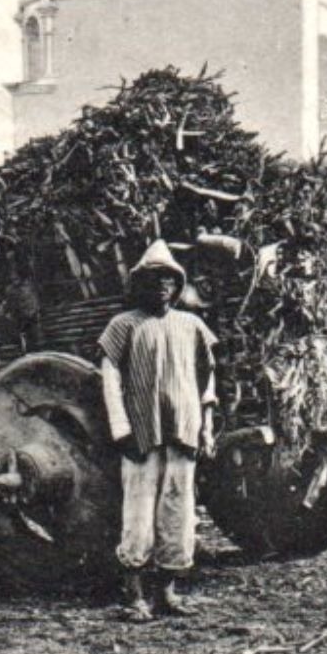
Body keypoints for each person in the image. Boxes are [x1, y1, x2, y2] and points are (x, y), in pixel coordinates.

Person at [98, 240, 218, 623]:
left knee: (178, 511)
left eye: (169, 279)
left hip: (183, 431)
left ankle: (167, 592)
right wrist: (121, 430)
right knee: (138, 512)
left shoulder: (192, 326)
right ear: (141, 285)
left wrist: (206, 429)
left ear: (178, 285)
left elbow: (207, 379)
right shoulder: (123, 326)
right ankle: (134, 596)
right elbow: (110, 377)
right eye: (154, 280)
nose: (162, 286)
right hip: (141, 435)